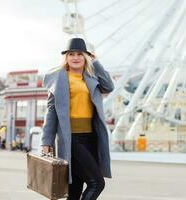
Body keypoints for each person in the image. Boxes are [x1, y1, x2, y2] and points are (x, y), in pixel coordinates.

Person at [41, 38, 114, 200]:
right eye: (71, 54)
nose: (75, 57)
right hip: (71, 139)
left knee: (75, 189)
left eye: (80, 54)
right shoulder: (59, 78)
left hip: (91, 138)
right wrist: (46, 141)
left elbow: (109, 86)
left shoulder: (91, 77)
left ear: (86, 57)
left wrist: (96, 62)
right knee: (97, 183)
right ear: (66, 57)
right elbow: (51, 112)